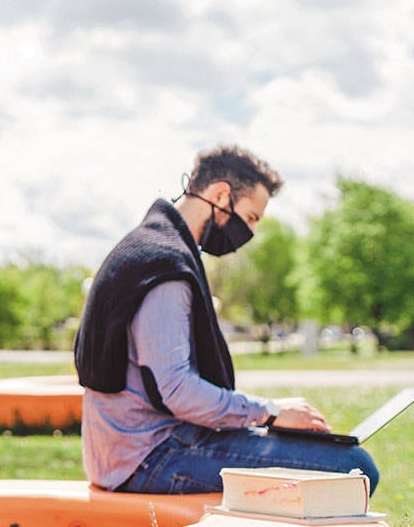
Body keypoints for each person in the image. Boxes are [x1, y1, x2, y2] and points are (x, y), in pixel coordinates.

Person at [74, 145, 379, 495]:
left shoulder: (149, 245)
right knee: (354, 468)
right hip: (150, 457)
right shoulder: (165, 267)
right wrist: (271, 412)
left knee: (337, 458)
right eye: (250, 218)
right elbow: (177, 391)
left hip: (140, 448)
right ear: (221, 194)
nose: (247, 234)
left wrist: (264, 420)